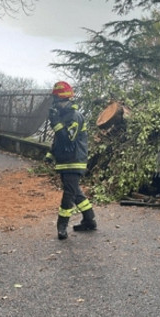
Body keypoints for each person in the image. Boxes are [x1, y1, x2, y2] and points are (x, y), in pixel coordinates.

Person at [44, 81, 97, 240]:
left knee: (69, 194)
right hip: (64, 161)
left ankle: (62, 226)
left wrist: (55, 123)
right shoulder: (61, 116)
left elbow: (68, 140)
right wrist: (50, 155)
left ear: (63, 99)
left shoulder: (75, 116)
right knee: (75, 192)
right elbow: (58, 140)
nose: (55, 103)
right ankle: (89, 220)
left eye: (56, 99)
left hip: (74, 161)